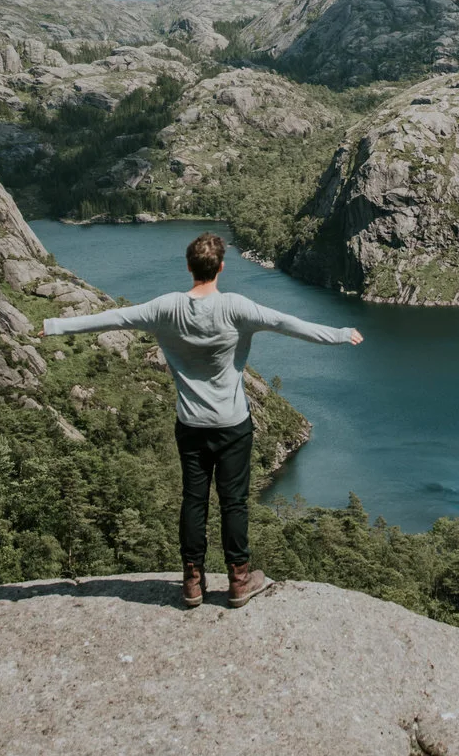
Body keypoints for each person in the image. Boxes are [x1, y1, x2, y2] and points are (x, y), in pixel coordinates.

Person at [41, 231, 361, 609]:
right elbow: (288, 324)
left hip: (191, 424)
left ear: (189, 267)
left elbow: (113, 319)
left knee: (194, 501)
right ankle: (239, 580)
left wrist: (54, 326)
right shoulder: (236, 307)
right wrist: (341, 334)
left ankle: (192, 582)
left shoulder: (165, 307)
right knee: (234, 503)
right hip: (232, 425)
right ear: (221, 268)